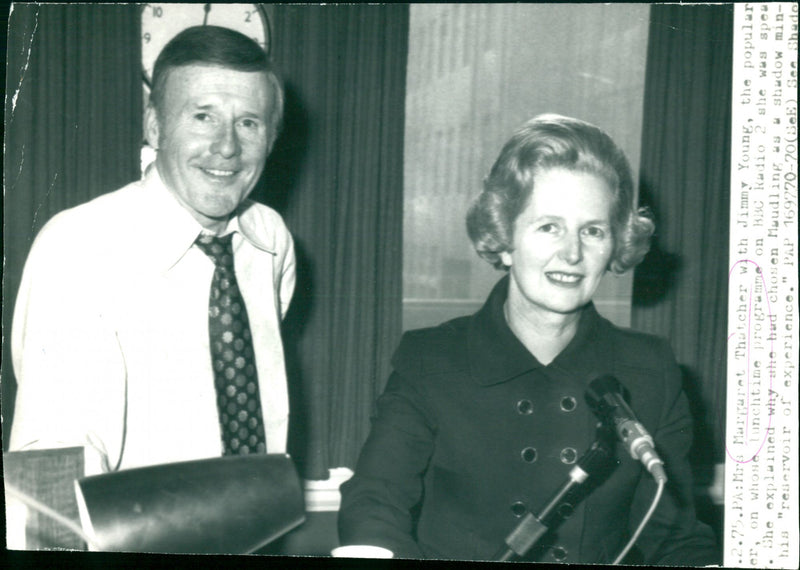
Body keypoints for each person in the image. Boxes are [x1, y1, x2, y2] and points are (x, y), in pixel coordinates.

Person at [338, 114, 719, 564]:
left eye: (593, 231)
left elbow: (675, 540)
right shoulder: (430, 359)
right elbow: (374, 505)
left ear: (615, 246)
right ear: (503, 236)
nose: (572, 254)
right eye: (549, 227)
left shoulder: (650, 369)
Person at [9, 26, 296, 476]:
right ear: (155, 126)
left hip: (257, 534)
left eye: (248, 122)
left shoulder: (270, 240)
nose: (227, 146)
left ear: (270, 138)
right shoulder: (80, 248)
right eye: (203, 116)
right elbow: (56, 458)